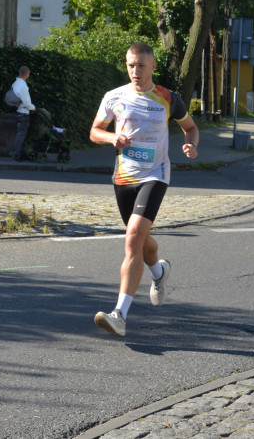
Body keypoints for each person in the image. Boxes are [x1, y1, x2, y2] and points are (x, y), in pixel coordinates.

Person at [90, 42, 199, 338]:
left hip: (155, 174)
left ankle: (119, 315)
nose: (134, 71)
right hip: (124, 177)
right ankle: (159, 273)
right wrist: (111, 138)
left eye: (140, 65)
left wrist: (191, 143)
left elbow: (190, 126)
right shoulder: (114, 97)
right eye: (130, 65)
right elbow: (94, 131)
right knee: (142, 241)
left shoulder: (167, 98)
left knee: (133, 237)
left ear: (152, 67)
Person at [11, 66, 36, 162]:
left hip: (17, 111)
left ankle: (19, 154)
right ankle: (17, 155)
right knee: (21, 135)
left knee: (20, 134)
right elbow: (26, 102)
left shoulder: (15, 84)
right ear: (27, 74)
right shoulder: (23, 86)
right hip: (23, 112)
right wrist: (33, 108)